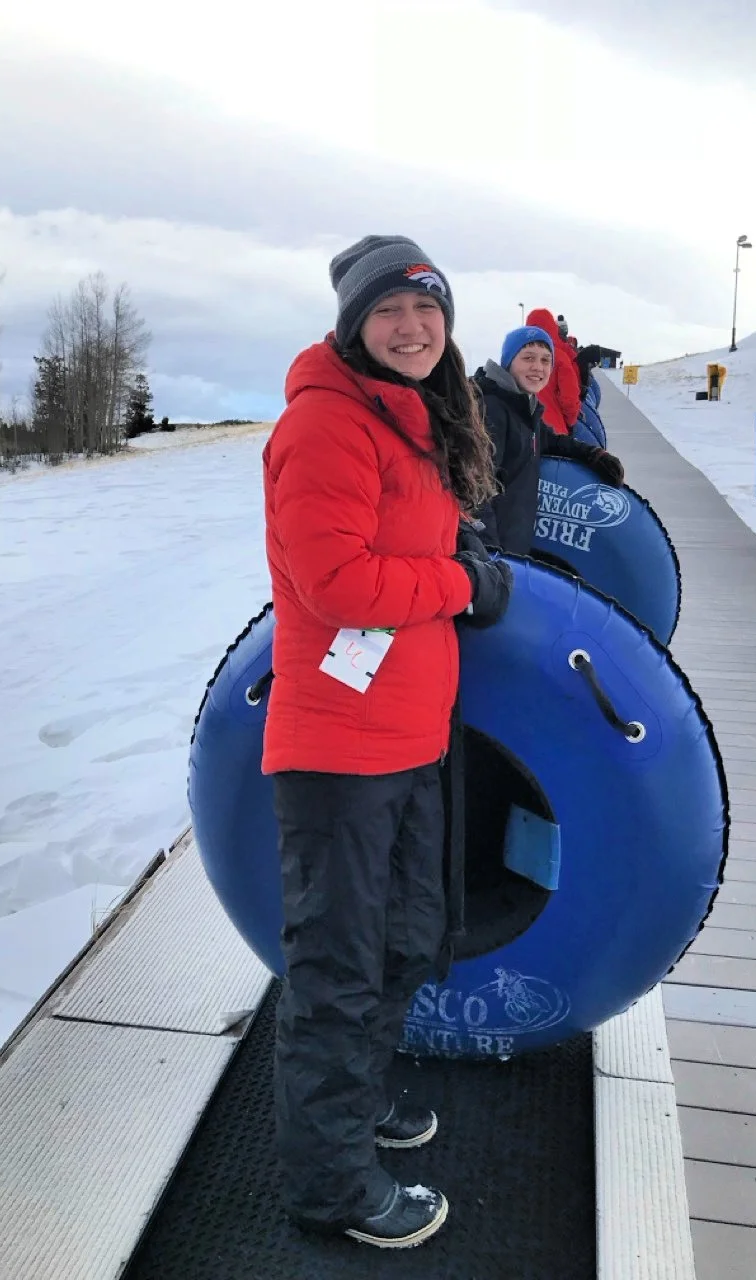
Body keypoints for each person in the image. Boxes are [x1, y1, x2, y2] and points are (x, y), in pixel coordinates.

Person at [262, 235, 512, 1249]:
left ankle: (351, 1105)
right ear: (353, 326)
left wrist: (461, 549)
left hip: (410, 735)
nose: (411, 326)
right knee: (339, 964)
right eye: (387, 311)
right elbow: (338, 583)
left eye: (426, 307)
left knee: (407, 936)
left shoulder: (412, 421)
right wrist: (460, 585)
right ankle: (329, 1184)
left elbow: (406, 541)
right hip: (335, 750)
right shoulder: (326, 422)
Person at [472, 326, 624, 554]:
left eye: (545, 360)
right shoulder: (491, 409)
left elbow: (549, 440)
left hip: (510, 546)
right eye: (528, 358)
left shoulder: (522, 407)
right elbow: (476, 488)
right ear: (508, 361)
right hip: (493, 553)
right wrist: (490, 556)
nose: (537, 367)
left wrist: (593, 455)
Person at [525, 307, 581, 433]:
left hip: (524, 433)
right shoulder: (560, 357)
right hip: (554, 432)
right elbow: (569, 399)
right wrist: (570, 422)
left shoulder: (517, 357)